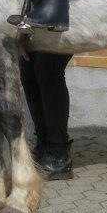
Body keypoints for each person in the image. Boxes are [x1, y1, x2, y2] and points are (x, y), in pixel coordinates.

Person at [20, 51, 74, 179]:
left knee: (48, 67)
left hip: (62, 31)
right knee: (27, 65)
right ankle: (44, 144)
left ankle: (59, 154)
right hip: (39, 31)